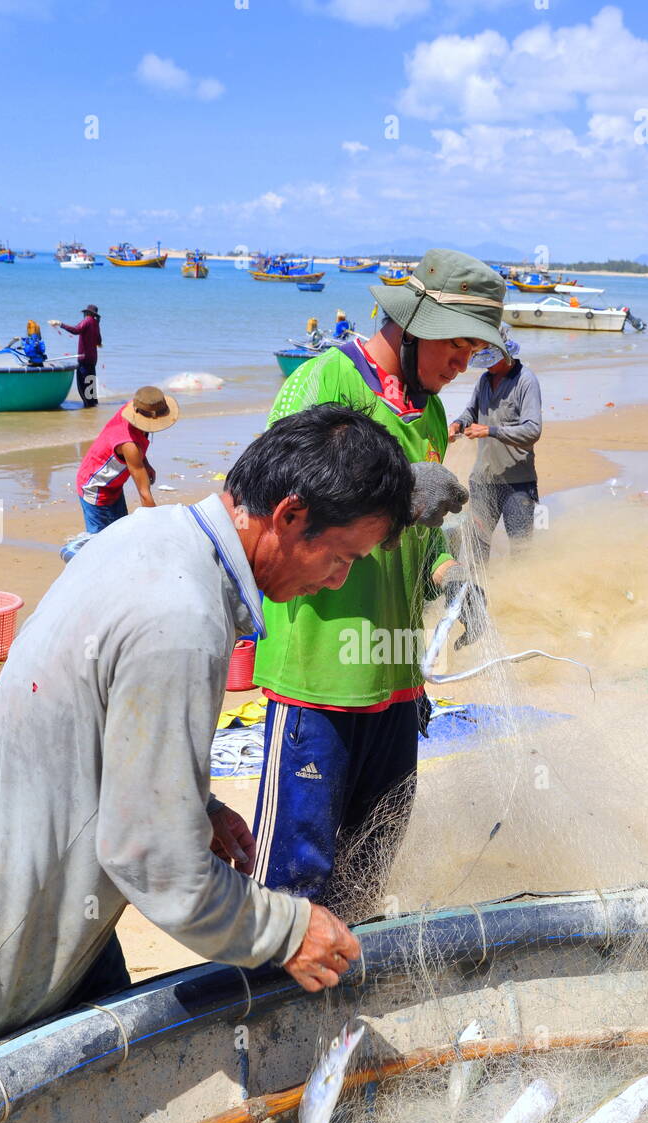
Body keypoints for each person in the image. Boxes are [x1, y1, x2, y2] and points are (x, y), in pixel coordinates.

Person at [0, 404, 413, 1050]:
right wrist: (287, 929)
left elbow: (94, 725)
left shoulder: (148, 535)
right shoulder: (182, 619)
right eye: (341, 558)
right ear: (289, 517)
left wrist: (191, 802)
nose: (336, 582)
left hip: (53, 908)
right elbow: (157, 867)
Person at [251, 247, 508, 914]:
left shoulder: (425, 414)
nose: (463, 363)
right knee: (294, 880)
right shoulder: (323, 385)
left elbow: (415, 537)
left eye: (475, 351)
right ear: (414, 322)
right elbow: (277, 510)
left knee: (369, 870)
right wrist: (394, 496)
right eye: (456, 343)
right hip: (319, 676)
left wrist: (448, 572)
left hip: (392, 679)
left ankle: (341, 1008)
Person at [448, 327, 542, 564]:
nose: (487, 366)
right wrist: (458, 424)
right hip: (483, 480)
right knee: (477, 548)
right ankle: (479, 595)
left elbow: (533, 430)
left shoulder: (526, 381)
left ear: (505, 353)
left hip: (518, 483)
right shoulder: (484, 380)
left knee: (522, 551)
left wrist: (490, 430)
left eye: (491, 359)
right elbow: (471, 411)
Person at [76, 385, 179, 534]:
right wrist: (157, 528)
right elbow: (145, 494)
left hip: (114, 485)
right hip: (95, 488)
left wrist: (145, 463)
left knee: (121, 531)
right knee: (101, 541)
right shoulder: (129, 445)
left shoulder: (134, 408)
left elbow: (139, 443)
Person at [49, 303, 102, 405]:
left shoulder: (87, 321)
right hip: (93, 359)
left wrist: (60, 324)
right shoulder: (96, 324)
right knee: (91, 382)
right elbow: (99, 342)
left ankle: (88, 407)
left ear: (87, 313)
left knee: (83, 384)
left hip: (84, 359)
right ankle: (93, 405)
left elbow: (76, 330)